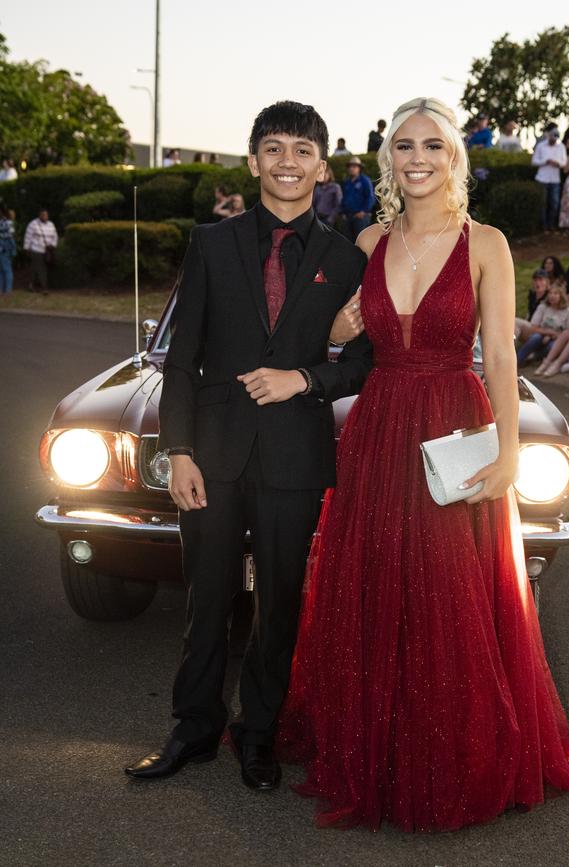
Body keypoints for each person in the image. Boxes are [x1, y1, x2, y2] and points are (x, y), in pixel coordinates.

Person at [278, 96, 569, 832]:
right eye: (403, 146)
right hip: (381, 424)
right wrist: (334, 322)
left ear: (455, 157)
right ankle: (382, 750)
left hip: (455, 421)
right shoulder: (366, 239)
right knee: (379, 577)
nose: (416, 158)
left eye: (431, 146)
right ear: (389, 158)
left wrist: (511, 446)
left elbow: (504, 356)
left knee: (450, 589)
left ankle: (450, 753)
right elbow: (333, 341)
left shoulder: (487, 243)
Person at [124, 101, 373, 789]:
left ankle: (256, 731)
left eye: (301, 149)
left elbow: (362, 360)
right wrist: (178, 450)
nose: (287, 161)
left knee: (281, 600)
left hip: (295, 455)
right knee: (206, 598)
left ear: (322, 165)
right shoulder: (211, 243)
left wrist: (305, 377)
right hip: (211, 451)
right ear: (253, 158)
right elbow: (183, 357)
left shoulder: (346, 258)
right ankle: (193, 726)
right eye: (273, 147)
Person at [516, 284, 569, 367]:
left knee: (552, 346)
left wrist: (552, 336)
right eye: (550, 293)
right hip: (541, 334)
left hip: (558, 338)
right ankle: (518, 360)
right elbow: (534, 327)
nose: (552, 296)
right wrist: (548, 333)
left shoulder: (568, 311)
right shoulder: (543, 307)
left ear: (561, 296)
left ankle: (534, 356)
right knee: (535, 338)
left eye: (555, 294)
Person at [531, 124, 567, 232]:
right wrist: (545, 161)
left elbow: (564, 162)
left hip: (555, 179)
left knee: (554, 203)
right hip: (542, 179)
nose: (554, 140)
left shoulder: (561, 147)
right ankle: (543, 226)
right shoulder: (541, 146)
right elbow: (534, 161)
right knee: (543, 203)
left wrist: (558, 163)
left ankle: (551, 224)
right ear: (549, 136)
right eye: (552, 138)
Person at [341, 156, 376, 241]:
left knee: (361, 242)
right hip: (348, 216)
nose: (352, 168)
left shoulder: (365, 180)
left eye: (354, 166)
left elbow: (370, 197)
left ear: (359, 168)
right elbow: (344, 198)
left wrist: (363, 211)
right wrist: (343, 212)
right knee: (348, 242)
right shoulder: (347, 182)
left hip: (361, 217)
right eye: (350, 166)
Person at [23, 208, 58, 292]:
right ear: (40, 215)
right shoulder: (33, 224)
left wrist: (53, 245)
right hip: (36, 250)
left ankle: (31, 285)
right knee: (42, 269)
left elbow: (55, 236)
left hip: (48, 250)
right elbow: (28, 237)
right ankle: (44, 288)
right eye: (43, 215)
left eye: (46, 215)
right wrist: (26, 248)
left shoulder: (51, 224)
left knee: (35, 268)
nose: (45, 216)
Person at [514, 268, 549, 341]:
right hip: (530, 324)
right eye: (535, 280)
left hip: (540, 328)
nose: (537, 283)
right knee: (514, 325)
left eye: (540, 280)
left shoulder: (549, 296)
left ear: (546, 282)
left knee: (514, 321)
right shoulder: (532, 295)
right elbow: (530, 312)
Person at [0, 204, 16, 293]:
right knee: (1, 270)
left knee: (7, 269)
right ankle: (1, 289)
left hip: (5, 248)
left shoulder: (8, 222)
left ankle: (8, 290)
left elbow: (11, 236)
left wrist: (12, 249)